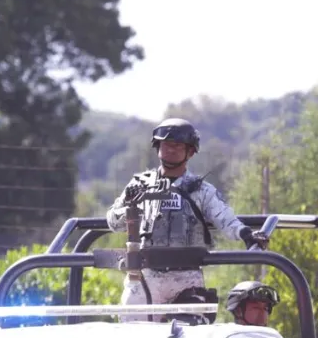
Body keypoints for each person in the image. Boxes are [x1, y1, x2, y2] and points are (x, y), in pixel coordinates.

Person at [106, 118, 268, 320]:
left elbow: (225, 218)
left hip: (186, 277)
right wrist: (129, 206)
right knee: (133, 336)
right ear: (157, 147)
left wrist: (247, 234)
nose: (171, 150)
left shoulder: (201, 190)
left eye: (178, 146)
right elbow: (113, 222)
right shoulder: (139, 184)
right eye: (166, 145)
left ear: (190, 152)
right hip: (144, 276)